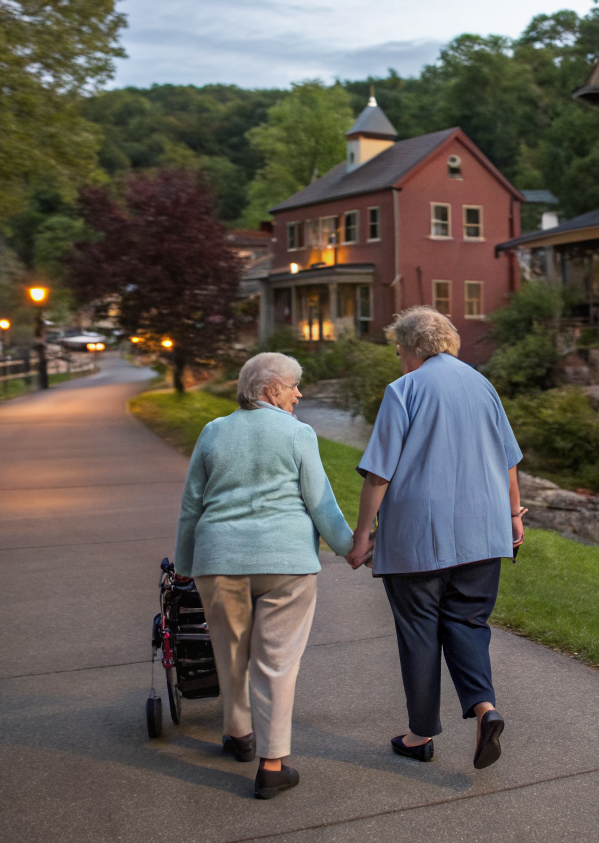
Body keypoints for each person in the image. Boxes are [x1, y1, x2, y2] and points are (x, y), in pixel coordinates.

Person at [346, 306, 524, 769]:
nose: (399, 359)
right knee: (468, 624)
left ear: (411, 349)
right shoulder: (483, 385)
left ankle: (420, 734)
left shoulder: (404, 389)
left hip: (417, 540)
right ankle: (486, 709)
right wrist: (514, 517)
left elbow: (378, 473)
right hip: (484, 534)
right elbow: (508, 459)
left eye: (399, 351)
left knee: (419, 633)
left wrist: (363, 535)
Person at [175, 351, 354, 799]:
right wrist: (352, 549)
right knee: (276, 662)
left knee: (230, 651)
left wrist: (183, 567)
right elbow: (321, 502)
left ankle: (239, 735)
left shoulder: (213, 432)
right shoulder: (297, 433)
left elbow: (191, 506)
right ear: (270, 389)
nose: (300, 393)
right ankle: (272, 765)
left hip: (219, 560)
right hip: (286, 562)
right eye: (294, 385)